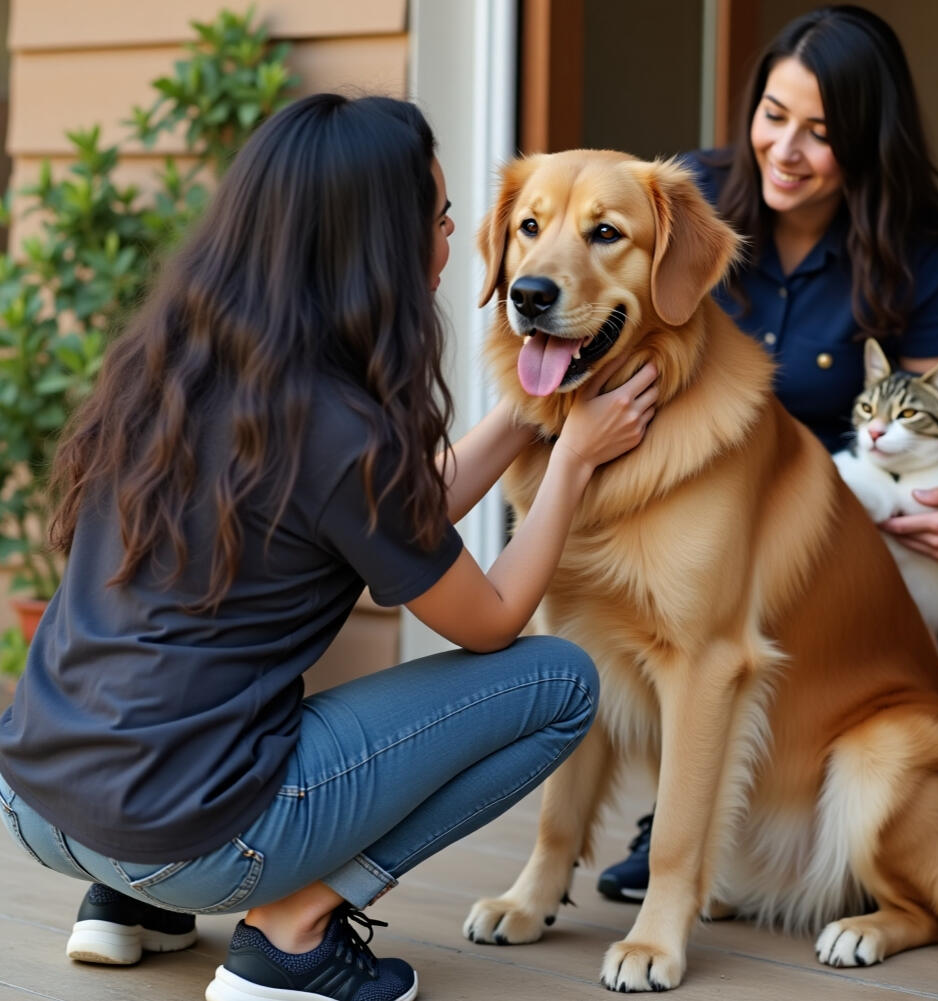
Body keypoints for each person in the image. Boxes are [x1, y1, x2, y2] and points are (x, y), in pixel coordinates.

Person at [0, 93, 660, 1001]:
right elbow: (492, 620)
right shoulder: (337, 424)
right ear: (377, 249)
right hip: (194, 839)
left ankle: (125, 902)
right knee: (558, 682)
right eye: (437, 217)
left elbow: (399, 511)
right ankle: (292, 933)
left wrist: (526, 416)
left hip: (36, 802)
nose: (454, 238)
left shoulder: (176, 366)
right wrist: (574, 461)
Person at [596, 3, 938, 905]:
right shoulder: (692, 202)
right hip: (689, 502)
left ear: (867, 144)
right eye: (774, 116)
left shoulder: (911, 244)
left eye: (822, 133)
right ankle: (679, 826)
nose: (785, 150)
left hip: (819, 526)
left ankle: (827, 818)